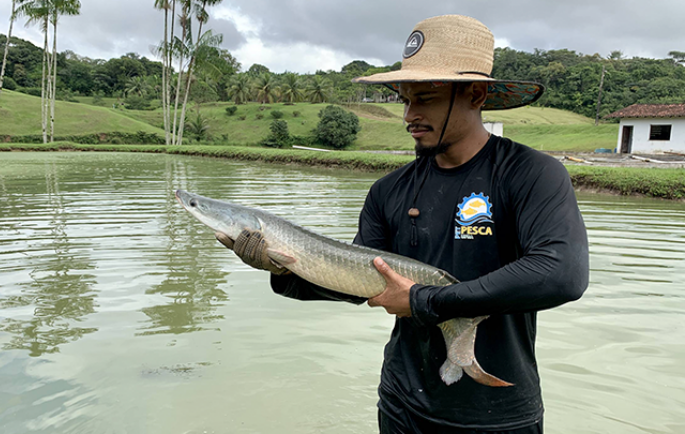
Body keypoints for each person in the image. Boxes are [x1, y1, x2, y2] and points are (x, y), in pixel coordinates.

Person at [215, 15, 589, 434]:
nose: (409, 114)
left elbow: (562, 274)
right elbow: (357, 283)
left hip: (497, 413)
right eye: (405, 99)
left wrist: (424, 301)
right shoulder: (389, 191)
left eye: (425, 97)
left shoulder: (529, 173)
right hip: (402, 404)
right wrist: (281, 268)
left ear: (476, 94)